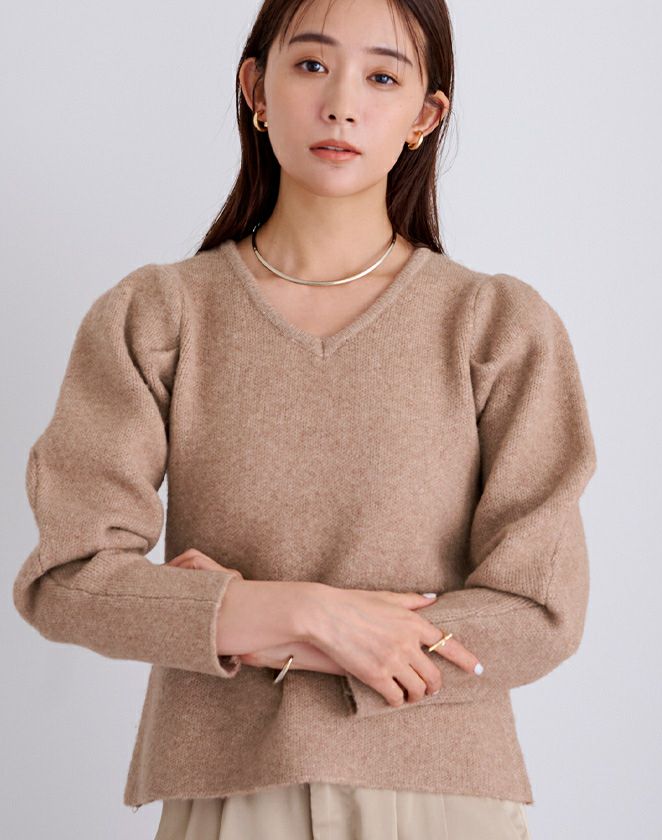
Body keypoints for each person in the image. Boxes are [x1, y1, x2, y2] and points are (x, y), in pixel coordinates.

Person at [12, 0, 597, 838]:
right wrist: (308, 614)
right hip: (228, 793)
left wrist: (251, 624)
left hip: (441, 797)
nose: (342, 104)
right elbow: (68, 579)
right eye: (312, 64)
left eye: (383, 77)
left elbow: (540, 609)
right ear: (256, 88)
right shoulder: (158, 315)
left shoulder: (496, 326)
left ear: (426, 115)